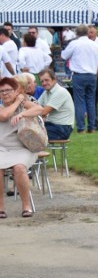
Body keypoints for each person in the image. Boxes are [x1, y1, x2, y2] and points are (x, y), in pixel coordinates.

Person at [0, 76, 44, 218]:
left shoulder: (24, 104)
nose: (5, 93)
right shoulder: (3, 106)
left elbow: (40, 110)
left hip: (23, 147)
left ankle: (26, 205)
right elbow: (5, 115)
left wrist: (23, 113)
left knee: (19, 167)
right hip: (2, 148)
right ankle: (1, 207)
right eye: (2, 91)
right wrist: (18, 101)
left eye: (8, 90)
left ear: (15, 91)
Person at [61, 24, 98, 134]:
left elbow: (64, 56)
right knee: (91, 101)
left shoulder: (74, 44)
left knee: (79, 101)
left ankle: (81, 127)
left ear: (77, 33)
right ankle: (92, 127)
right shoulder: (95, 45)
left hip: (79, 74)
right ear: (87, 32)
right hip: (92, 75)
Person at [36, 69, 75, 141]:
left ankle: (38, 152)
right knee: (28, 132)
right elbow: (36, 106)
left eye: (46, 80)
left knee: (31, 135)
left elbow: (43, 112)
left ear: (54, 80)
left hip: (62, 128)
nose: (44, 83)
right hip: (52, 125)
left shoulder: (60, 92)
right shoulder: (46, 92)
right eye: (42, 81)